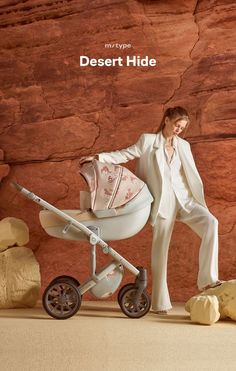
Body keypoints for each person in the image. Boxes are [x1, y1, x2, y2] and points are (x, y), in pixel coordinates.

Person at [79, 106, 223, 314]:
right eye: (176, 125)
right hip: (163, 204)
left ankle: (208, 279)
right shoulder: (148, 141)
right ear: (166, 120)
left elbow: (190, 175)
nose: (178, 130)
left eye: (182, 128)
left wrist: (195, 199)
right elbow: (125, 154)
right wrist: (99, 158)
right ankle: (160, 303)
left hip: (185, 200)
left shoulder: (183, 146)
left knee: (211, 222)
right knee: (160, 252)